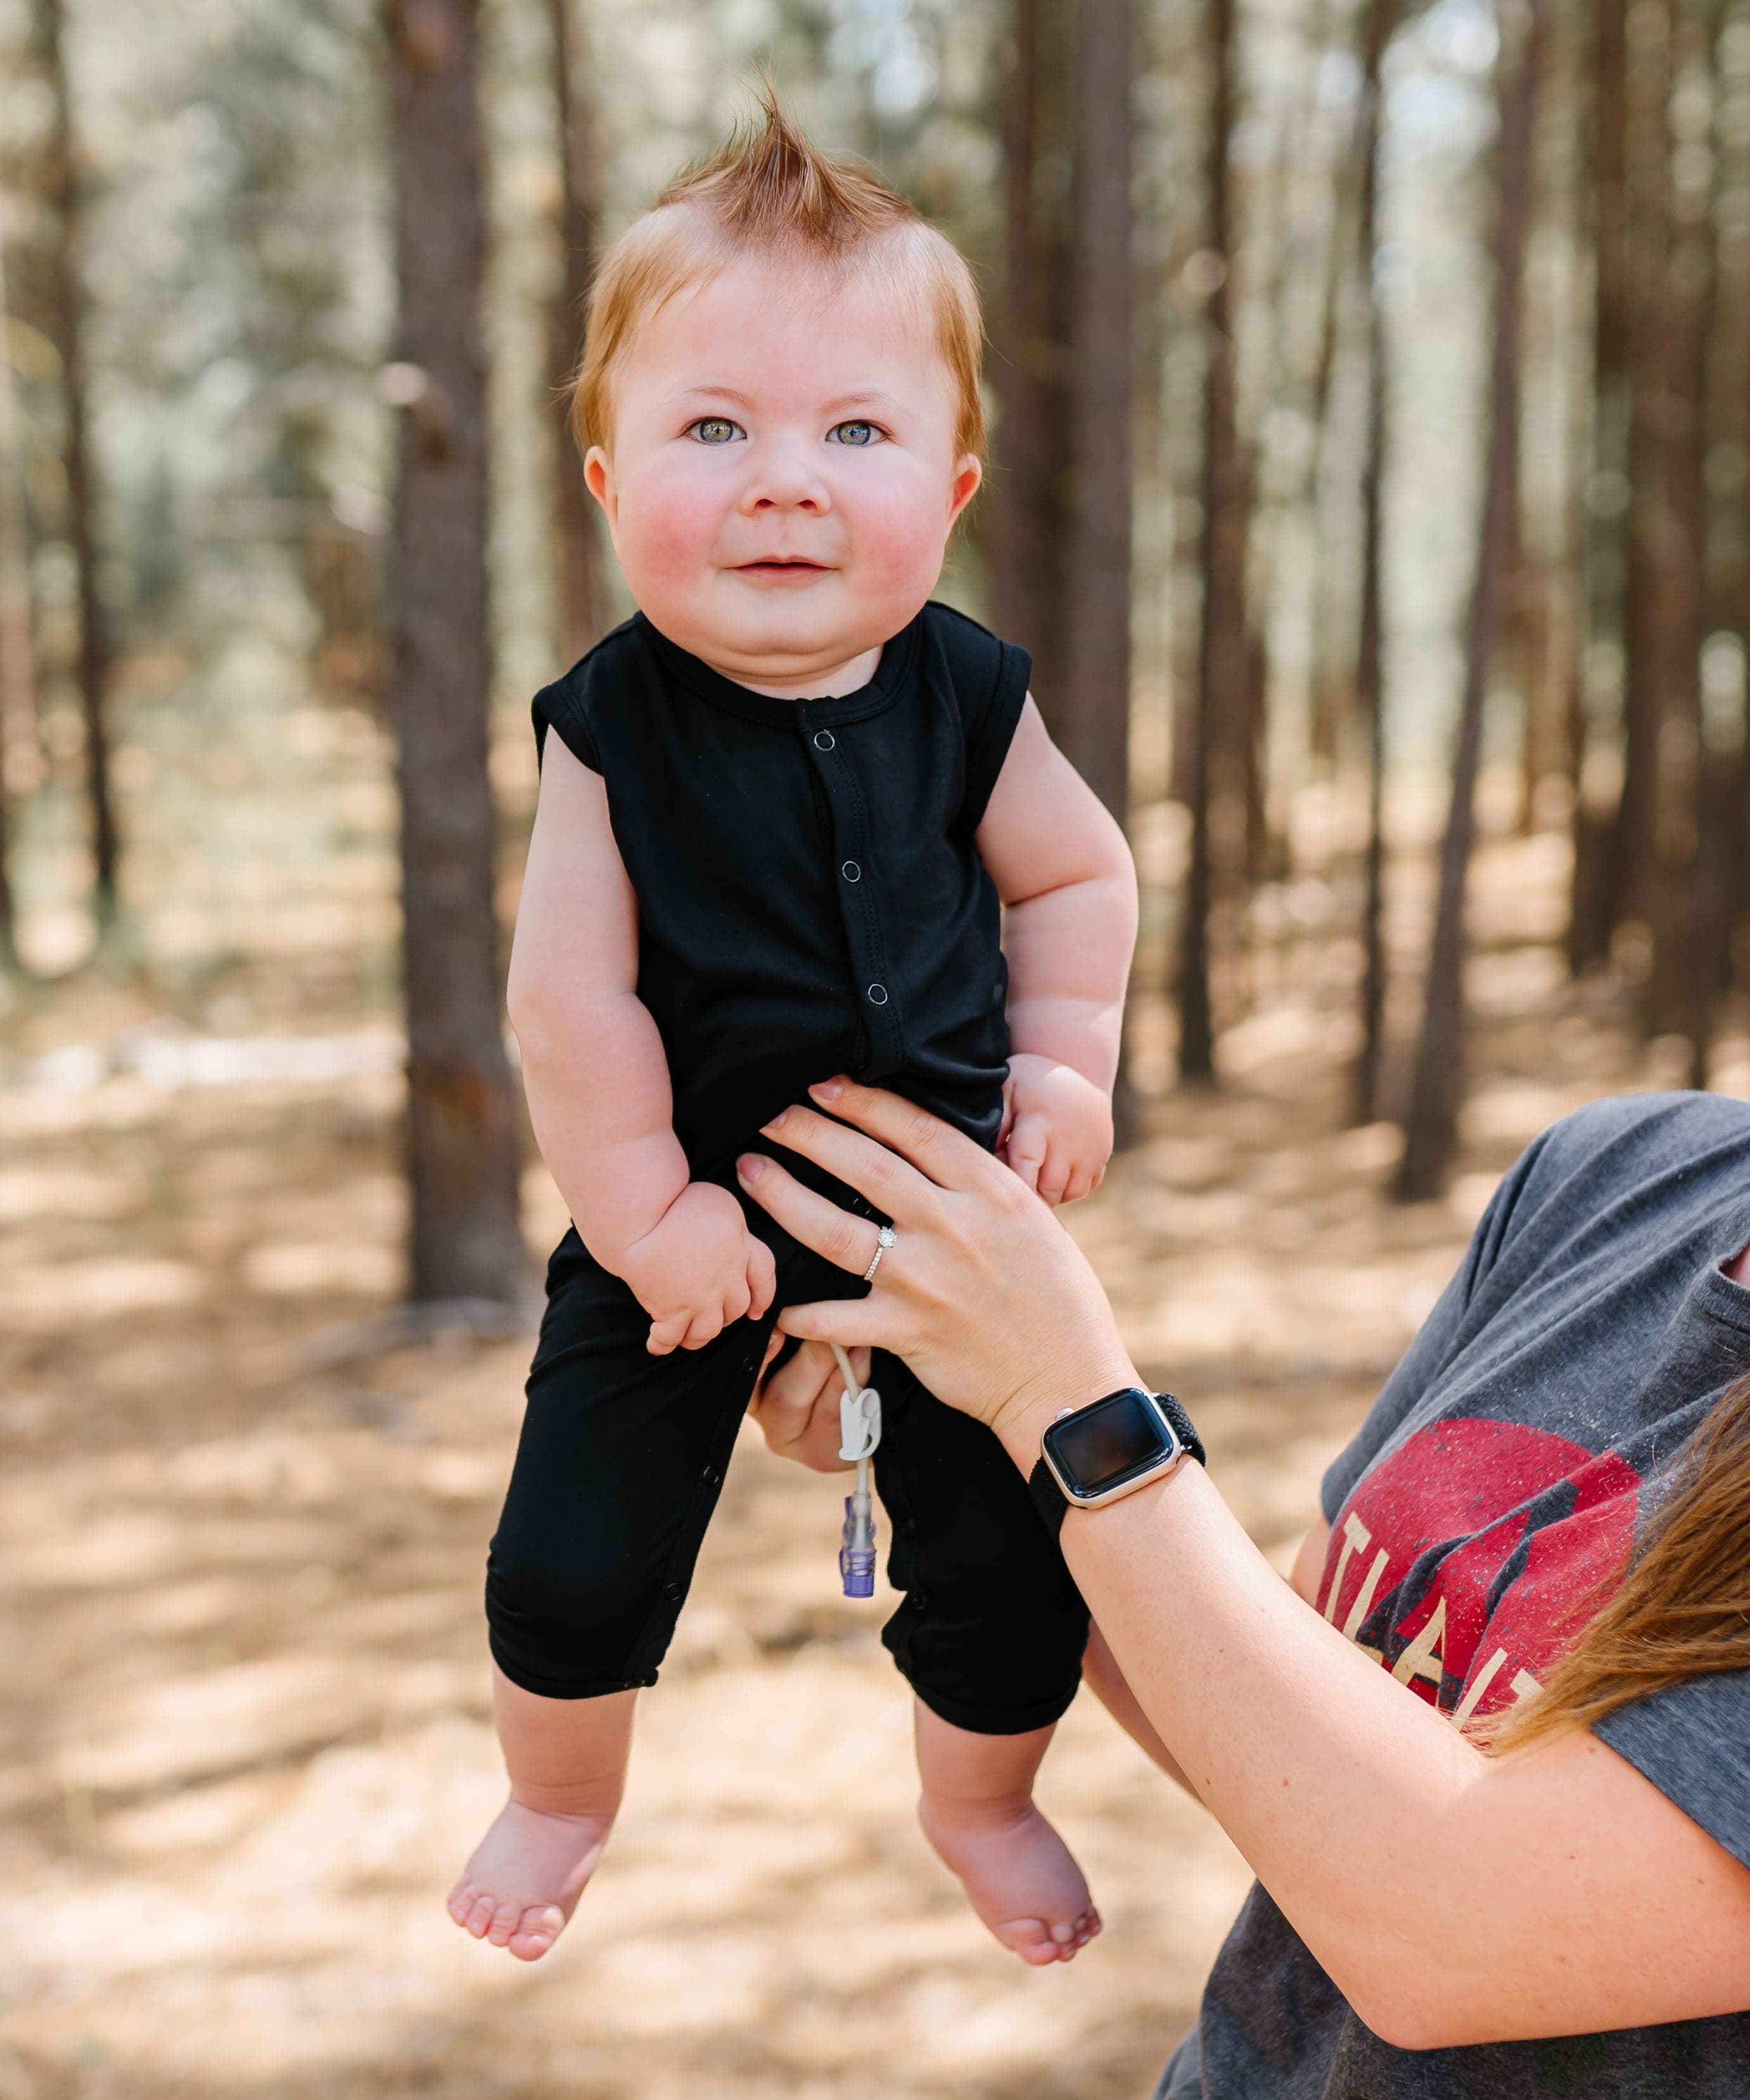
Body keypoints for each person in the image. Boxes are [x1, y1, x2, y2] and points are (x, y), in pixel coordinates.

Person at [445, 96, 1139, 1966]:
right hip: (683, 1220)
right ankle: (560, 1792)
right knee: (570, 1559)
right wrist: (642, 1207)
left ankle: (981, 1800)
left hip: (947, 1216)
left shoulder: (970, 696)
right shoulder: (611, 728)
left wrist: (1064, 1057)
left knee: (1012, 1560)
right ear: (603, 480)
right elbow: (567, 996)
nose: (784, 480)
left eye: (855, 430)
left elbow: (1075, 881)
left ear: (955, 485)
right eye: (712, 428)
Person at [739, 1075, 1750, 2093]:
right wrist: (968, 1414)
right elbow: (1295, 1733)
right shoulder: (1622, 1169)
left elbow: (1445, 1937)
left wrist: (1060, 1399)